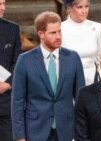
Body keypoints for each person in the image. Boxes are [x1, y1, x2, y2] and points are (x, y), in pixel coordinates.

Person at [11, 11, 85, 141]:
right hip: (35, 131)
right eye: (53, 33)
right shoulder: (24, 60)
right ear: (41, 34)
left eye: (59, 31)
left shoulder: (73, 58)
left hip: (66, 131)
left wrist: (81, 133)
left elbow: (81, 100)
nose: (58, 36)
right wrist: (20, 136)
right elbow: (17, 101)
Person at [62, 0, 101, 86]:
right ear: (69, 8)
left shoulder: (96, 27)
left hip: (93, 80)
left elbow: (100, 58)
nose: (84, 11)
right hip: (69, 81)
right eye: (80, 7)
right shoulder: (60, 29)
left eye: (86, 6)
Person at [0, 0, 22, 140]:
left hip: (6, 100)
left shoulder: (12, 29)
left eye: (3, 3)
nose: (3, 8)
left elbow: (18, 61)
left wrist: (7, 84)